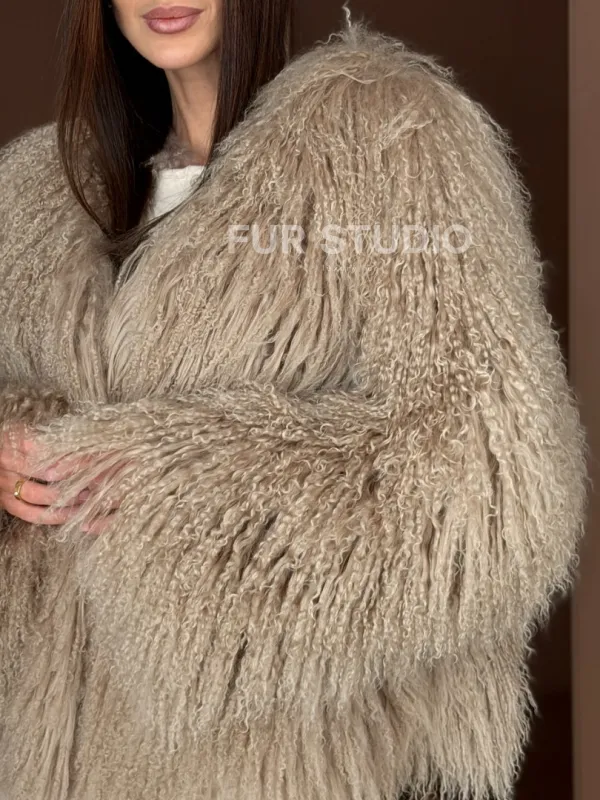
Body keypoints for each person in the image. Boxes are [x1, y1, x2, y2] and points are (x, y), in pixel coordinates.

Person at [0, 1, 588, 799]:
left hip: (280, 758)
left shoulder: (383, 137)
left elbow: (495, 469)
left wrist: (179, 474)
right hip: (60, 753)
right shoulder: (40, 195)